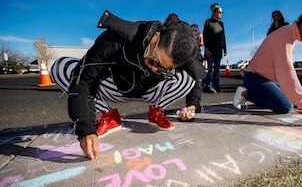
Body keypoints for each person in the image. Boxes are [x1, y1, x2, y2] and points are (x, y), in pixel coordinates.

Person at [50, 10, 201, 161]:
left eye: (164, 69)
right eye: (154, 61)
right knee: (61, 67)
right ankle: (109, 115)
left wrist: (192, 105)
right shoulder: (118, 38)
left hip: (150, 93)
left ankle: (157, 111)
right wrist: (85, 126)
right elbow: (84, 79)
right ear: (156, 37)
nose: (155, 69)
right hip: (115, 88)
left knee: (189, 77)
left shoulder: (174, 57)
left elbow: (197, 75)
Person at [202, 3, 227, 93]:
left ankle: (217, 87)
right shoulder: (208, 22)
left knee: (216, 70)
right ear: (214, 12)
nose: (221, 14)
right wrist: (207, 48)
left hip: (219, 50)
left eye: (221, 12)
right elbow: (205, 36)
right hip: (210, 50)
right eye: (219, 12)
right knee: (209, 70)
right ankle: (208, 87)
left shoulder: (221, 24)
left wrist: (225, 49)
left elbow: (223, 37)